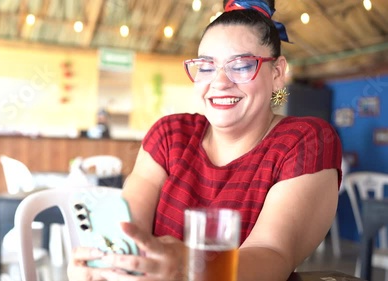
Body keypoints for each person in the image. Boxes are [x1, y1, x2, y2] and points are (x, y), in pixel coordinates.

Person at [68, 0, 342, 280]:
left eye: (242, 65)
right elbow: (127, 233)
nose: (220, 82)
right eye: (206, 66)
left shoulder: (304, 141)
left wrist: (188, 266)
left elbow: (272, 253)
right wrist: (104, 262)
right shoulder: (170, 135)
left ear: (277, 73)